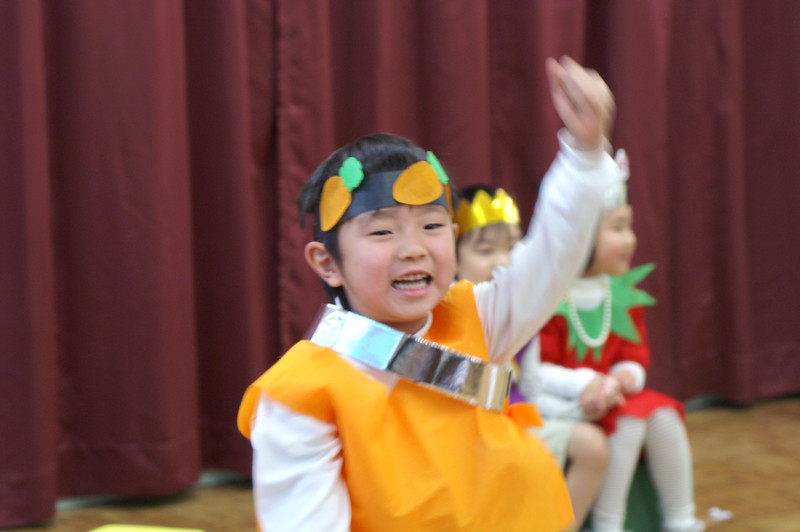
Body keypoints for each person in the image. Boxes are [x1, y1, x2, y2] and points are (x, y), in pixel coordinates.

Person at [237, 56, 621, 532]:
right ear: (327, 263)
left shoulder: (478, 317)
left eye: (432, 226)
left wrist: (584, 152)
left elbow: (552, 257)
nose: (413, 248)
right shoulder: (298, 395)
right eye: (382, 232)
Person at [521, 150, 705, 532]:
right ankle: (608, 523)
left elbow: (634, 353)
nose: (630, 239)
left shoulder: (620, 291)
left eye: (629, 226)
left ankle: (681, 519)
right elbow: (535, 369)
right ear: (579, 234)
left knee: (664, 416)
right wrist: (588, 384)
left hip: (613, 396)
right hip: (564, 403)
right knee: (629, 423)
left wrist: (625, 376)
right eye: (617, 228)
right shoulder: (547, 296)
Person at [454, 184, 609, 531]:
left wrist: (581, 407)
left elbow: (531, 388)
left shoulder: (521, 315)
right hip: (470, 436)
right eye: (485, 250)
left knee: (592, 445)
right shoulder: (447, 318)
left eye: (512, 247)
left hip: (519, 422)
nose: (503, 261)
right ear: (452, 256)